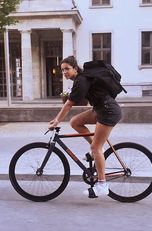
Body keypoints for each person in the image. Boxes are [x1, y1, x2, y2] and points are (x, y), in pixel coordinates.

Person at [48, 56, 122, 198]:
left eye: (67, 69)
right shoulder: (81, 79)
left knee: (96, 148)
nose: (64, 72)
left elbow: (69, 104)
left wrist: (56, 121)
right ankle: (94, 151)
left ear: (75, 68)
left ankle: (102, 185)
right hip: (100, 109)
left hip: (108, 111)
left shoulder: (81, 80)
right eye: (62, 70)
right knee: (75, 122)